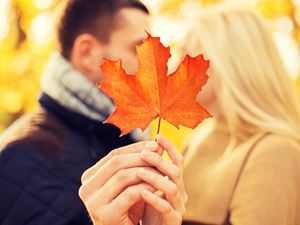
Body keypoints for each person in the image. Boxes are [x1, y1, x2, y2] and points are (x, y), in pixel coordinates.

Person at [0, 0, 152, 224]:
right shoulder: (19, 160)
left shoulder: (122, 141)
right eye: (138, 48)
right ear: (87, 53)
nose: (151, 66)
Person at [181, 5, 300, 225]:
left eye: (187, 55)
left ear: (228, 63)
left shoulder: (276, 152)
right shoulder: (197, 140)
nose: (176, 66)